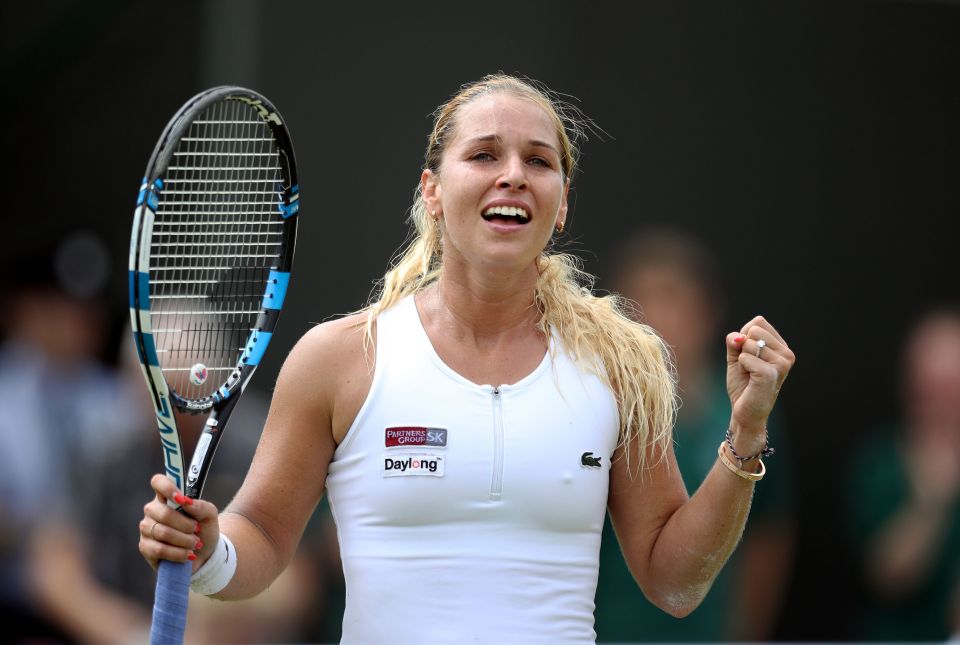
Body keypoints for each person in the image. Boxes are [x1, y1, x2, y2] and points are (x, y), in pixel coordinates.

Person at [138, 74, 796, 643]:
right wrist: (209, 551)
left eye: (539, 161)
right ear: (431, 189)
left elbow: (674, 581)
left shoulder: (620, 366)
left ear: (562, 201)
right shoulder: (339, 358)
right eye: (484, 154)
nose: (512, 173)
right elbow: (261, 533)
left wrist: (745, 436)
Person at [594, 230, 795, 642]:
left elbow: (769, 537)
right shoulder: (595, 409)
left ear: (706, 313)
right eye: (637, 302)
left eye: (669, 298)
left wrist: (744, 634)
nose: (652, 316)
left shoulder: (746, 411)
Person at [847, 306, 960, 641]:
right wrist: (932, 501)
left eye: (948, 389)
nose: (935, 405)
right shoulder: (880, 464)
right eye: (925, 390)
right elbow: (886, 575)